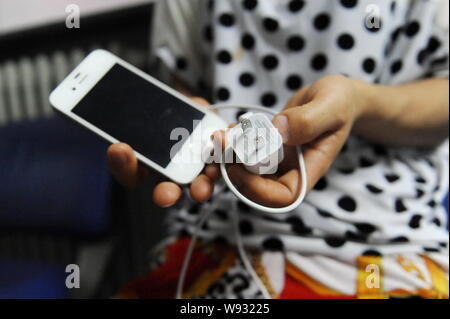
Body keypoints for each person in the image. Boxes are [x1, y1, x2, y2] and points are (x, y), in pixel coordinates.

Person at [109, 0, 449, 298]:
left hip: (384, 228)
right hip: (218, 220)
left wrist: (358, 103)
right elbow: (187, 88)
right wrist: (173, 127)